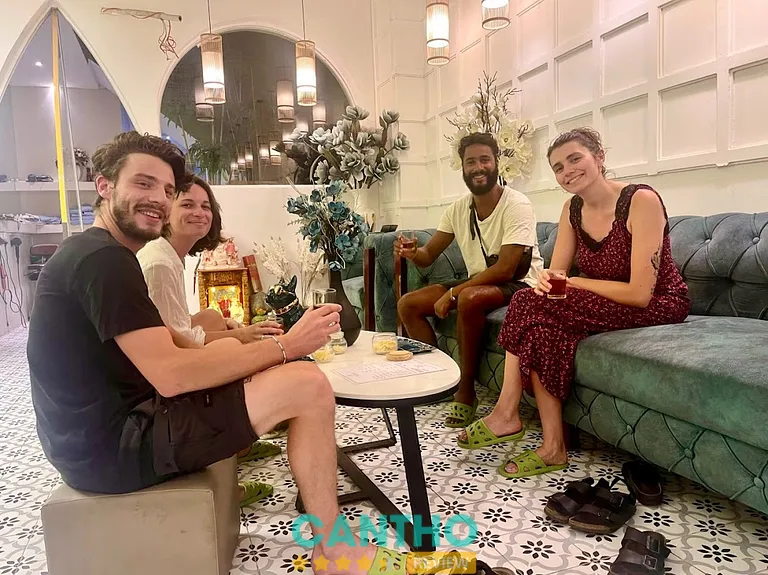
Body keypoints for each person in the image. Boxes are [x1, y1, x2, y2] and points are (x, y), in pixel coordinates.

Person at [28, 131, 410, 574]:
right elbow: (173, 375)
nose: (158, 199)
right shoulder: (104, 261)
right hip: (113, 450)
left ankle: (325, 530)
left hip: (98, 438)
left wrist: (252, 348)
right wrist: (285, 346)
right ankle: (336, 551)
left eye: (166, 190)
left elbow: (170, 344)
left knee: (276, 372)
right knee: (306, 385)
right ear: (105, 186)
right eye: (143, 183)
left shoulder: (100, 253)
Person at [457, 127, 690, 478]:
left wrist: (573, 283)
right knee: (539, 325)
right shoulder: (572, 209)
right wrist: (548, 282)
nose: (567, 171)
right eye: (558, 167)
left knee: (526, 303)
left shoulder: (641, 200)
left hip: (658, 303)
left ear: (599, 157)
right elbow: (556, 275)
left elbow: (640, 293)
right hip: (605, 300)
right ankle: (553, 448)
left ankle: (506, 412)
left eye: (575, 159)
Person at [136, 175, 284, 505]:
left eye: (205, 206)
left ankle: (241, 446)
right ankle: (235, 446)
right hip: (158, 379)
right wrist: (242, 337)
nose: (199, 213)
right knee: (233, 347)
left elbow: (177, 325)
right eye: (187, 204)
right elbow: (175, 341)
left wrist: (227, 329)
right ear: (166, 212)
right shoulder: (158, 263)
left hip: (167, 351)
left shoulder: (169, 255)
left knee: (213, 316)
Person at [395, 132, 543, 428]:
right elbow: (428, 255)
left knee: (468, 297)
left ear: (496, 162)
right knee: (408, 304)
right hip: (479, 282)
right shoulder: (458, 209)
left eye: (484, 160)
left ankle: (465, 393)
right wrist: (412, 253)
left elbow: (506, 269)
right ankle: (437, 379)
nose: (478, 167)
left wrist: (453, 293)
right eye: (471, 162)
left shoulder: (517, 204)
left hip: (522, 284)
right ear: (462, 168)